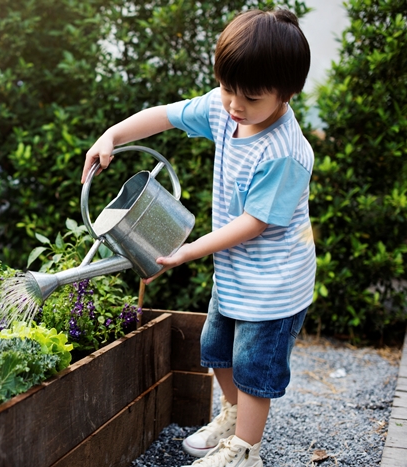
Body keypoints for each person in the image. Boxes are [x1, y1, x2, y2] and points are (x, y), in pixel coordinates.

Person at [82, 9, 314, 467]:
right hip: (234, 272)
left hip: (274, 286)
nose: (234, 104)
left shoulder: (285, 152)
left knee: (253, 369)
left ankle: (246, 451)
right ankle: (232, 417)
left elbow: (256, 222)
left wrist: (190, 248)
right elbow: (165, 116)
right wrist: (113, 134)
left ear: (286, 93)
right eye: (228, 88)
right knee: (216, 348)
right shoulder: (225, 110)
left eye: (249, 96)